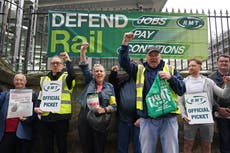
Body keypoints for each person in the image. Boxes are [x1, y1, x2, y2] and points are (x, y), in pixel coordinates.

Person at [118, 32, 186, 153]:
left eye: (156, 55)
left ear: (160, 57)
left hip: (168, 118)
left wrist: (171, 78)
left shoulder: (170, 69)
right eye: (151, 55)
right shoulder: (138, 69)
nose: (153, 57)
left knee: (171, 150)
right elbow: (124, 62)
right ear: (146, 57)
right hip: (147, 119)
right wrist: (125, 43)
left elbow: (182, 89)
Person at [178, 58, 230, 153]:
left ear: (200, 67)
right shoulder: (184, 82)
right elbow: (180, 101)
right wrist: (183, 115)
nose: (191, 68)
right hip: (190, 119)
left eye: (193, 65)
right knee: (188, 144)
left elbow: (224, 94)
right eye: (189, 66)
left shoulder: (208, 82)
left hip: (206, 119)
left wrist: (227, 85)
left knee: (206, 145)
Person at [77, 42, 117, 153]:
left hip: (101, 119)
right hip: (85, 116)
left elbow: (114, 106)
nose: (98, 73)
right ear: (93, 74)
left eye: (101, 71)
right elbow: (84, 66)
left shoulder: (110, 87)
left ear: (105, 74)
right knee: (86, 147)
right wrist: (82, 51)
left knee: (99, 148)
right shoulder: (90, 81)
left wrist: (104, 109)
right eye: (96, 71)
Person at [34, 52, 76, 153]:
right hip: (45, 115)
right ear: (50, 65)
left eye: (58, 63)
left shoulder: (66, 78)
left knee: (61, 143)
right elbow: (41, 95)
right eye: (53, 63)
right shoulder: (44, 79)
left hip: (61, 116)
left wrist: (68, 60)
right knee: (46, 144)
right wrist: (36, 106)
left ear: (62, 66)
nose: (55, 65)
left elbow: (72, 75)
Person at [0, 73, 38, 153]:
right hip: (7, 132)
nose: (19, 82)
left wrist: (27, 119)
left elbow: (35, 114)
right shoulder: (6, 94)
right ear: (13, 81)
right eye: (17, 80)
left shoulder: (32, 95)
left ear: (25, 82)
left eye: (21, 80)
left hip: (22, 132)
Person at [108, 65, 141, 153]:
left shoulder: (142, 80)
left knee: (138, 148)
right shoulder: (122, 78)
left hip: (138, 121)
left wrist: (142, 117)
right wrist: (113, 73)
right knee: (122, 148)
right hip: (123, 120)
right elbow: (112, 85)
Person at [208, 54, 230, 153]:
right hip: (221, 114)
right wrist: (218, 108)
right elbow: (209, 96)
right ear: (217, 63)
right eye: (221, 61)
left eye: (226, 61)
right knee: (225, 139)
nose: (224, 63)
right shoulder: (210, 78)